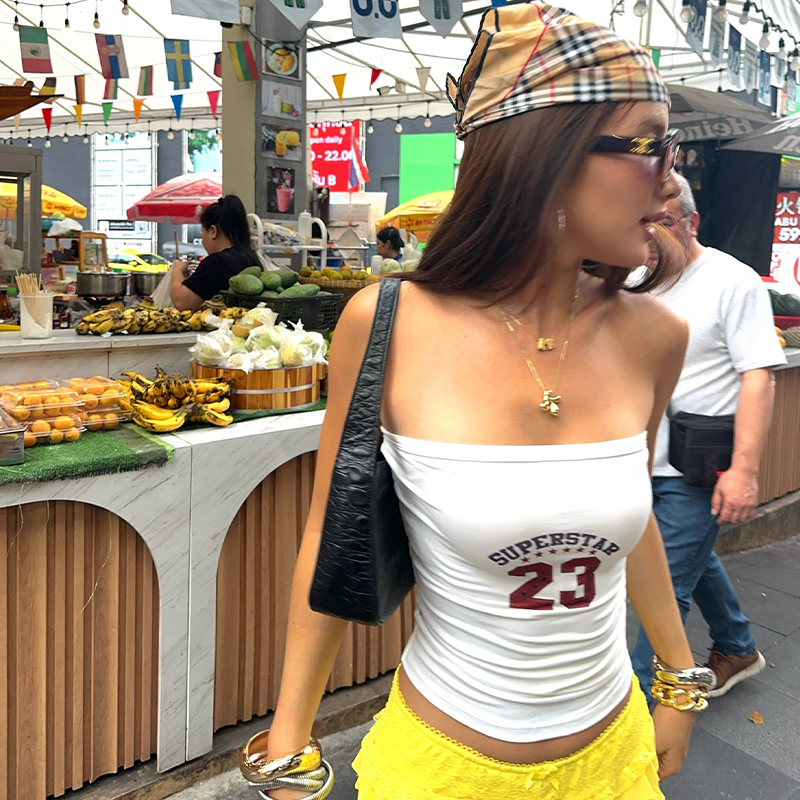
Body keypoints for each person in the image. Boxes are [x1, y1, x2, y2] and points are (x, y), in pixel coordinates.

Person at [258, 6, 707, 799]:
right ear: (547, 155)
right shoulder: (387, 324)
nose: (672, 179)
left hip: (616, 760)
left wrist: (677, 677)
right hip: (439, 769)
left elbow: (629, 517)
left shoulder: (656, 336)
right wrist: (289, 744)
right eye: (651, 145)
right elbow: (331, 527)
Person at [631, 174, 786, 700]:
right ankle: (737, 645)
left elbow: (759, 376)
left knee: (662, 589)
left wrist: (744, 470)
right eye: (642, 222)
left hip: (695, 468)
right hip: (637, 459)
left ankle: (635, 707)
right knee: (691, 557)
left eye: (664, 222)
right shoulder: (633, 277)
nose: (651, 234)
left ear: (692, 222)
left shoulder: (733, 280)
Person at [170, 195, 261, 311]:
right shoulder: (251, 258)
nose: (202, 239)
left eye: (202, 232)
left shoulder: (218, 262)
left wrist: (177, 270)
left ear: (213, 231)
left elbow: (181, 302)